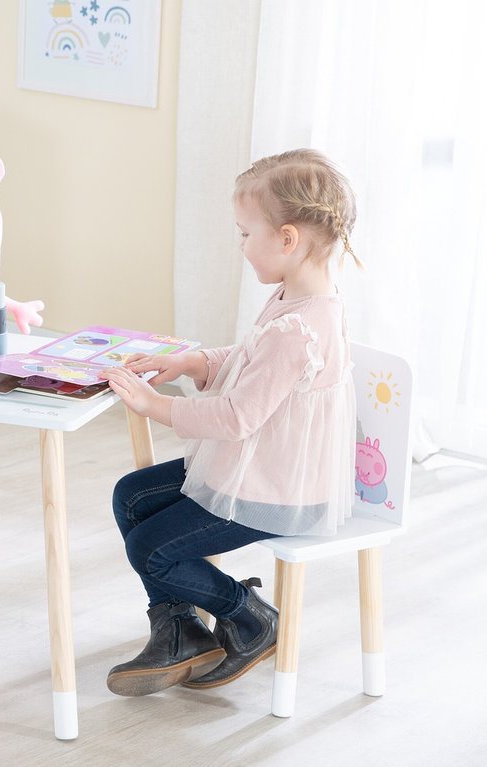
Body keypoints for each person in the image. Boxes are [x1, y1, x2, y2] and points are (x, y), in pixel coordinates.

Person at [101, 148, 361, 696]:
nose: (240, 245)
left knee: (151, 546)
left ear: (287, 239)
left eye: (246, 234)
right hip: (258, 467)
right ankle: (181, 631)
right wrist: (193, 362)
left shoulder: (303, 327)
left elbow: (238, 414)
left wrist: (157, 406)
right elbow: (250, 359)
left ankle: (249, 617)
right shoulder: (295, 299)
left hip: (280, 490)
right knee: (131, 497)